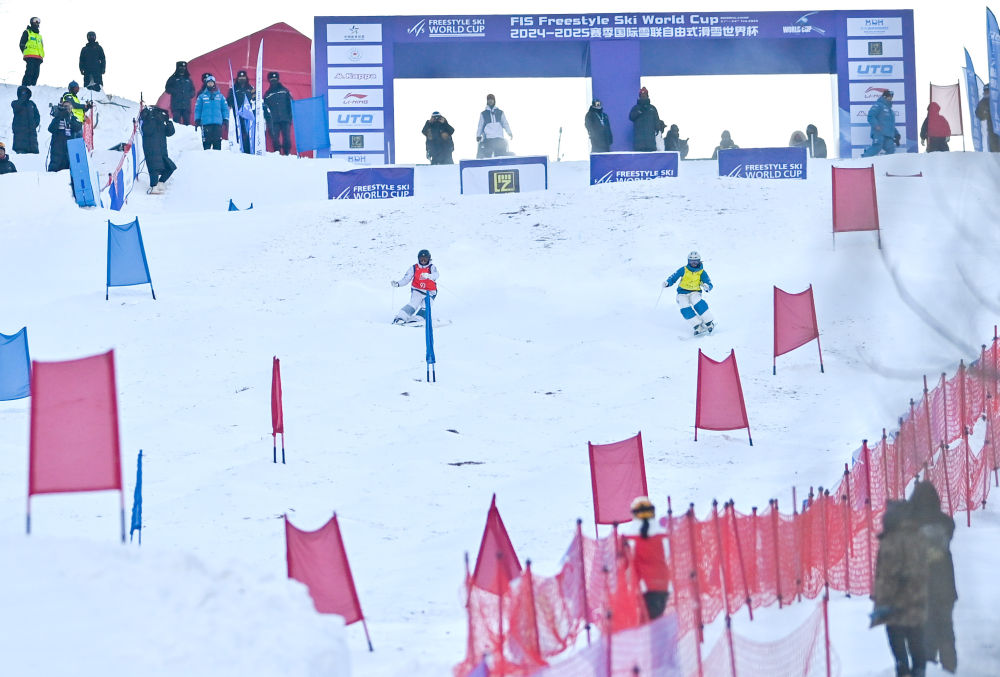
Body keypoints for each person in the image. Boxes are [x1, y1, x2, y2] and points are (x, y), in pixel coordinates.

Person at [871, 499, 929, 677]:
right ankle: (919, 670)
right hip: (917, 597)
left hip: (893, 600)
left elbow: (885, 573)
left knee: (896, 636)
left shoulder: (889, 541)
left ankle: (903, 669)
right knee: (916, 636)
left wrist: (880, 598)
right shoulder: (919, 537)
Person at [909, 481, 957, 673]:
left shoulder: (911, 527)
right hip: (945, 586)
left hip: (920, 586)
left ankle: (927, 666)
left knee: (924, 628)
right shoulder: (945, 523)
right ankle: (950, 666)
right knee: (946, 626)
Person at [621, 496, 671, 622]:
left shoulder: (629, 538)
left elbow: (624, 564)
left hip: (643, 587)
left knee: (645, 624)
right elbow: (668, 555)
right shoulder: (663, 535)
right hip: (663, 585)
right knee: (657, 621)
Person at [663, 251, 715, 336]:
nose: (693, 264)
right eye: (691, 261)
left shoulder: (702, 272)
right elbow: (674, 277)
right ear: (688, 261)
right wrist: (668, 283)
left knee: (697, 302)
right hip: (682, 292)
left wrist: (707, 287)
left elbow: (708, 282)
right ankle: (697, 325)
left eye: (696, 261)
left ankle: (709, 322)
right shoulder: (683, 269)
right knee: (684, 307)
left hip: (695, 292)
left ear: (699, 261)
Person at [391, 249, 438, 325]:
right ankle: (400, 317)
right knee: (413, 304)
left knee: (426, 305)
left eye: (425, 259)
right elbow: (406, 279)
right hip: (417, 290)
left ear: (429, 259)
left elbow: (436, 275)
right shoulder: (414, 267)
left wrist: (429, 276)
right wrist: (398, 284)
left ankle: (417, 319)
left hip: (430, 292)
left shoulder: (431, 267)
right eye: (421, 259)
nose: (423, 261)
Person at [139, 105, 176, 192]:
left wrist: (168, 122)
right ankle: (153, 186)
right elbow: (147, 131)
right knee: (154, 168)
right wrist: (151, 118)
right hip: (151, 149)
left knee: (170, 167)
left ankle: (160, 183)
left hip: (162, 149)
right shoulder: (147, 120)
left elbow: (170, 132)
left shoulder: (161, 122)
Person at [263, 72, 294, 155]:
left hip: (285, 119)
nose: (273, 81)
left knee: (287, 138)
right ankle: (278, 154)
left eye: (275, 79)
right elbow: (265, 108)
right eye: (272, 79)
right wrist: (268, 120)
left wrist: (290, 117)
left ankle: (287, 154)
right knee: (275, 139)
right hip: (273, 121)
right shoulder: (267, 94)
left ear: (278, 79)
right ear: (269, 80)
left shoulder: (285, 91)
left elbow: (291, 104)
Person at [194, 75, 228, 151]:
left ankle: (217, 158)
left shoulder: (220, 97)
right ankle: (206, 158)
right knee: (206, 144)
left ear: (214, 83)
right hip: (206, 123)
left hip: (217, 123)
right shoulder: (201, 97)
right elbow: (198, 109)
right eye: (208, 83)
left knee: (217, 144)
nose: (210, 84)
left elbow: (225, 109)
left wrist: (225, 119)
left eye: (211, 83)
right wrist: (197, 119)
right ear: (206, 84)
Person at [47, 102, 82, 172]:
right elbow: (51, 129)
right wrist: (59, 117)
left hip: (69, 146)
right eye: (65, 106)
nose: (67, 108)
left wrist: (69, 119)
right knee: (55, 165)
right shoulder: (57, 117)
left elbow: (78, 127)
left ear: (71, 108)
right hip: (57, 146)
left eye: (68, 107)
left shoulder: (73, 118)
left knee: (68, 165)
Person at [862, 90, 899, 157]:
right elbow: (871, 116)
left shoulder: (890, 111)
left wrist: (896, 134)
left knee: (891, 149)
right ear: (884, 97)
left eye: (891, 97)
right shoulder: (878, 105)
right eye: (889, 97)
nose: (891, 98)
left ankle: (885, 162)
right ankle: (864, 159)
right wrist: (876, 125)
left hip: (888, 135)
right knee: (877, 147)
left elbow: (891, 124)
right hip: (879, 133)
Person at [227, 70, 256, 154]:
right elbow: (229, 100)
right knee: (239, 131)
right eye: (240, 77)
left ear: (246, 78)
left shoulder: (251, 88)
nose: (242, 78)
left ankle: (248, 150)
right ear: (237, 78)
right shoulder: (233, 89)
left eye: (243, 77)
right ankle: (239, 149)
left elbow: (255, 100)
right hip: (237, 114)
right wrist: (232, 104)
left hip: (248, 115)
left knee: (248, 132)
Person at [476, 94, 513, 158]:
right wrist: (478, 135)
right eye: (489, 99)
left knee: (500, 156)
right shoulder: (483, 113)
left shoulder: (500, 112)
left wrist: (509, 132)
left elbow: (505, 123)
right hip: (488, 138)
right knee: (487, 156)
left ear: (494, 100)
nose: (490, 101)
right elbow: (480, 125)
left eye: (492, 99)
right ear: (487, 101)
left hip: (499, 137)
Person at [628, 87, 662, 152]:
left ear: (647, 96)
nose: (643, 97)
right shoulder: (636, 108)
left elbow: (656, 120)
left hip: (650, 143)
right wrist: (639, 111)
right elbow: (631, 117)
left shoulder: (652, 108)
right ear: (639, 96)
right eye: (642, 95)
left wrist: (658, 129)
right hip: (639, 144)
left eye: (645, 95)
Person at [11, 86, 40, 154]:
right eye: (22, 92)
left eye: (25, 92)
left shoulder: (32, 104)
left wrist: (34, 125)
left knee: (33, 156)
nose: (24, 94)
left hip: (32, 138)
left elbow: (37, 116)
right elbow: (16, 108)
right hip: (20, 138)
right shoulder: (15, 103)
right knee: (21, 156)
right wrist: (22, 99)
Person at [164, 61, 195, 125]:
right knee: (176, 123)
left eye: (184, 67)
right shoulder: (173, 78)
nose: (182, 69)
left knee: (187, 124)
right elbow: (167, 88)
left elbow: (193, 90)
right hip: (176, 106)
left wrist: (189, 95)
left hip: (186, 106)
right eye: (181, 67)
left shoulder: (188, 79)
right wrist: (175, 92)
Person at [974, 84, 1000, 152]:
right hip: (992, 131)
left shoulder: (997, 99)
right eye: (985, 91)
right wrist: (986, 113)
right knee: (995, 151)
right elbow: (979, 115)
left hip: (997, 128)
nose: (986, 92)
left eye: (988, 91)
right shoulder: (983, 101)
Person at [19, 17, 43, 87]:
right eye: (35, 20)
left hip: (38, 57)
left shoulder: (39, 36)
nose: (37, 22)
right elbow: (21, 44)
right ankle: (25, 87)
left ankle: (32, 87)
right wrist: (25, 52)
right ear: (31, 22)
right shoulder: (27, 32)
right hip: (30, 56)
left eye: (38, 21)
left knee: (36, 74)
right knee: (30, 72)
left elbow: (41, 46)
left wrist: (41, 55)